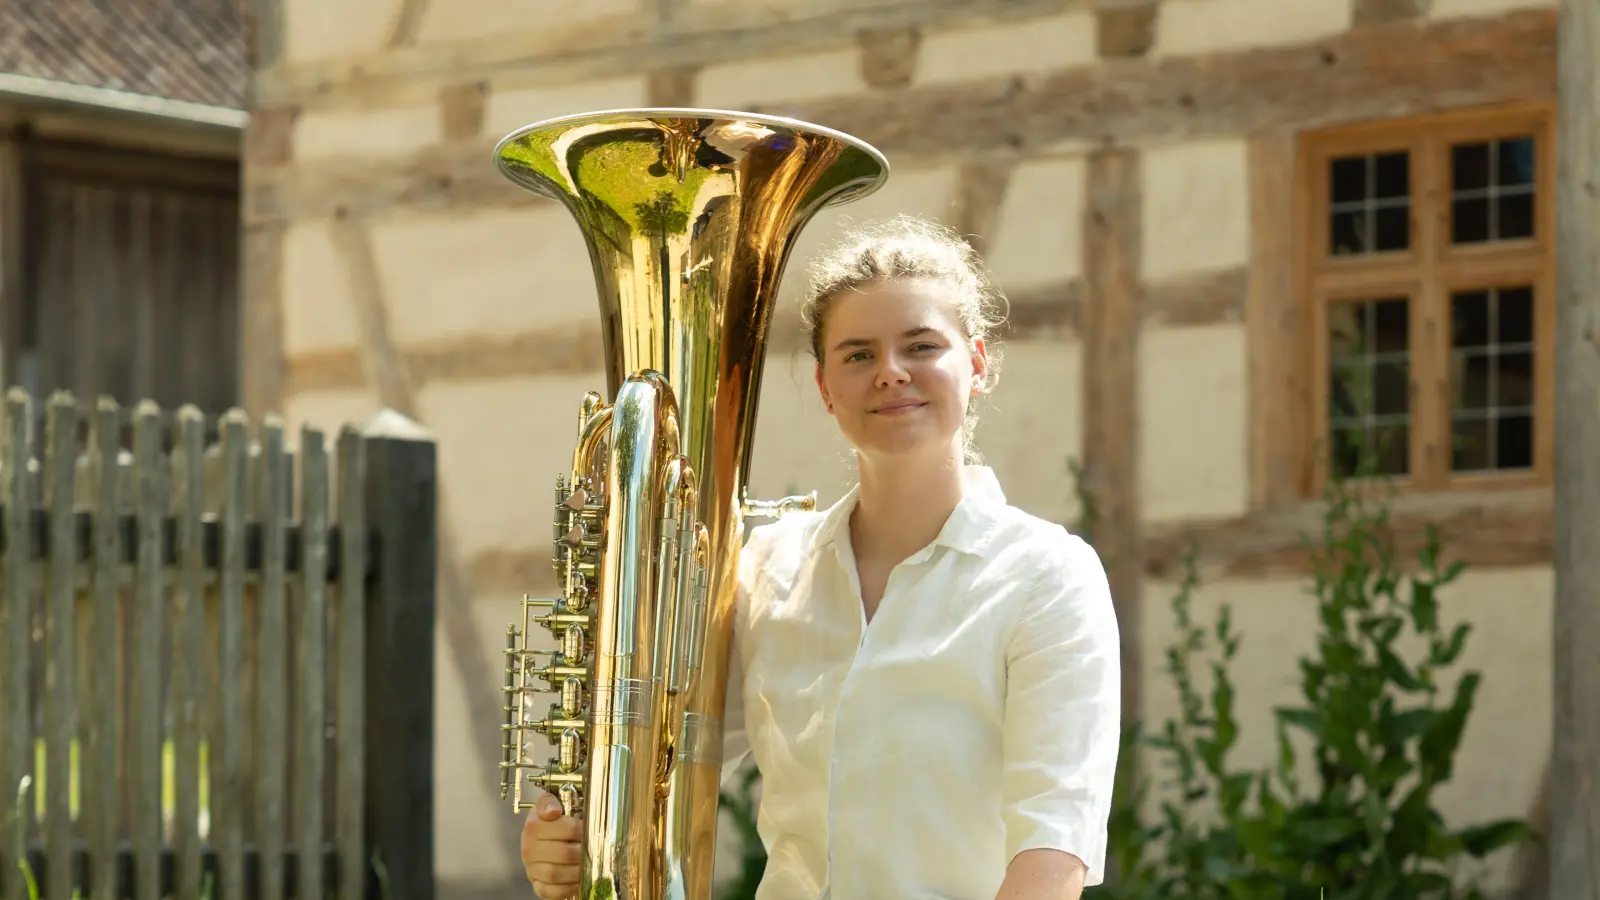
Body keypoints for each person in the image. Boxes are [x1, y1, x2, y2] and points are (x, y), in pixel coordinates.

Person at [520, 214, 1122, 900]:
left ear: (977, 365)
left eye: (921, 346)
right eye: (859, 355)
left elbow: (1053, 852)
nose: (891, 373)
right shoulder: (763, 571)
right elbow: (662, 760)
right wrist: (570, 842)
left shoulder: (1049, 576)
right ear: (826, 388)